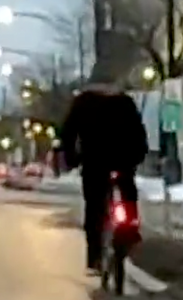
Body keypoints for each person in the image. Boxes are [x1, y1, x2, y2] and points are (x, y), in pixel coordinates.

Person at [60, 75, 148, 274]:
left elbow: (68, 133)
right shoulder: (125, 101)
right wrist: (138, 155)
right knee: (128, 194)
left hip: (94, 161)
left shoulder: (83, 102)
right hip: (123, 160)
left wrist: (72, 158)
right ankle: (131, 229)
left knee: (94, 208)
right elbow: (139, 132)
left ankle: (94, 257)